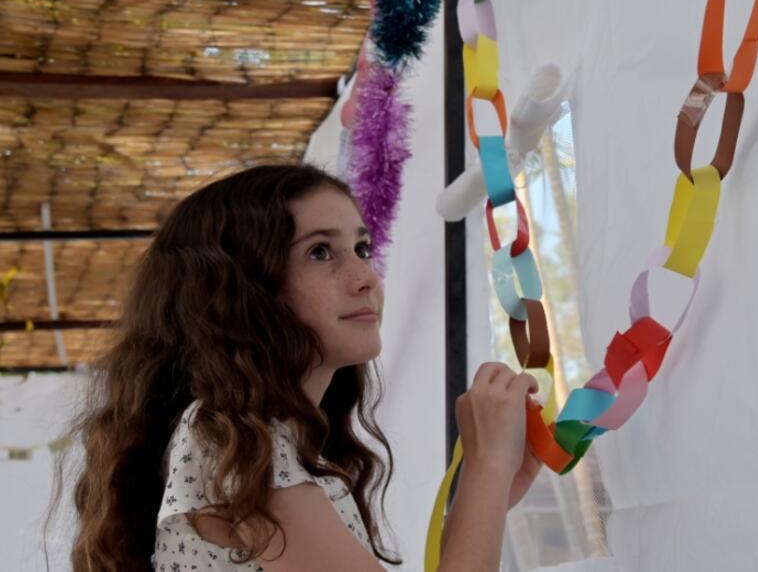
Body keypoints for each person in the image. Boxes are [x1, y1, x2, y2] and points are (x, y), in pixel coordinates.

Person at [60, 163, 543, 571]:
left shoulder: (263, 445)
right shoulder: (235, 447)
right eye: (320, 252)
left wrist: (490, 492)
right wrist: (487, 465)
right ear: (244, 291)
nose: (365, 278)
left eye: (362, 249)